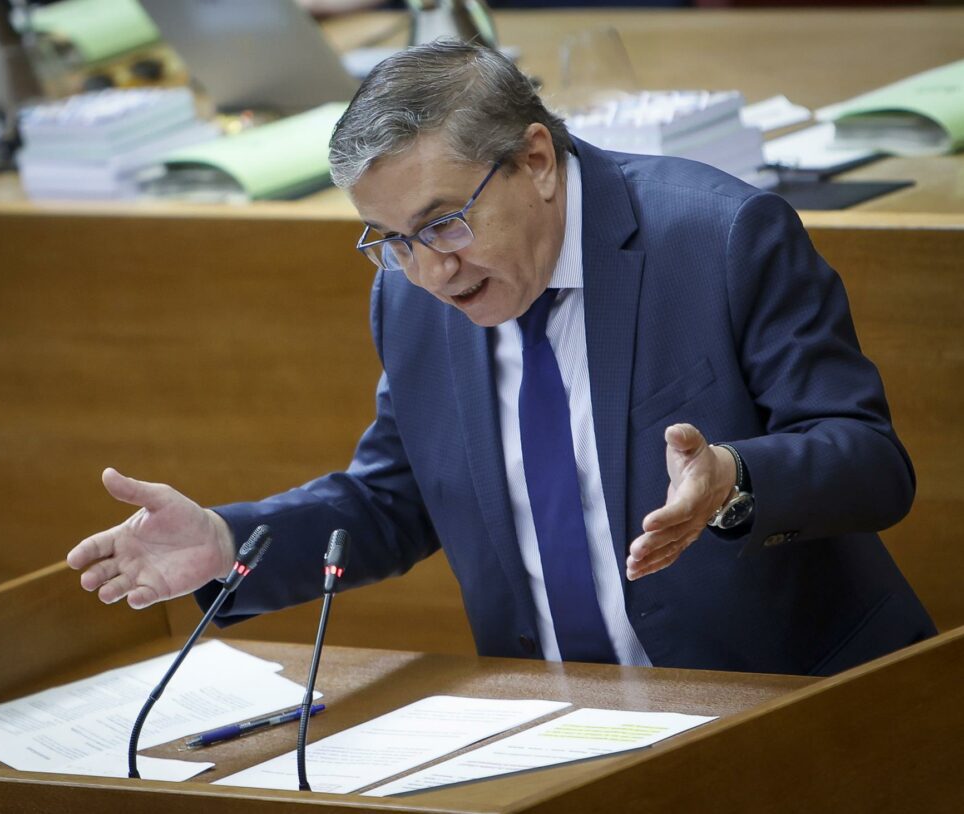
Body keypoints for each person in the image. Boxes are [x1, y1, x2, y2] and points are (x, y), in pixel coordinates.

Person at [67, 40, 935, 675]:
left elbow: (870, 462)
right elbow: (396, 496)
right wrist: (229, 543)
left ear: (536, 160)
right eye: (391, 240)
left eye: (445, 223)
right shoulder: (409, 298)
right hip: (560, 728)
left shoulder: (720, 239)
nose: (430, 271)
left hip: (782, 701)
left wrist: (736, 479)